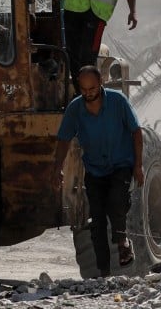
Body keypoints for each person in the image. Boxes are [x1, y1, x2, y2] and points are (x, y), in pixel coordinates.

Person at [54, 66, 145, 277]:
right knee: (97, 221)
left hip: (121, 164)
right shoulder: (75, 108)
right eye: (84, 89)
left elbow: (136, 132)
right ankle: (104, 271)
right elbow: (64, 139)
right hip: (95, 170)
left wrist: (138, 165)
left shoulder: (118, 101)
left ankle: (122, 242)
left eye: (92, 88)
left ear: (101, 83)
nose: (88, 93)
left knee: (116, 199)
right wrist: (57, 168)